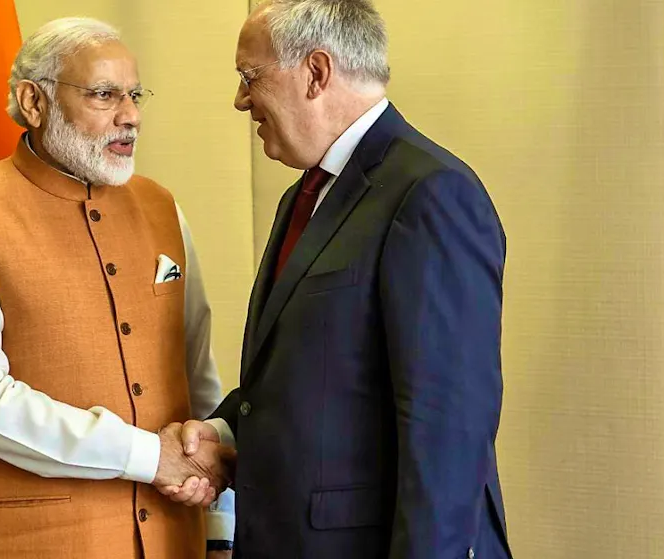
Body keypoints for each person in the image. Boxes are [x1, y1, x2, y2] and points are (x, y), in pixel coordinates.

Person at [168, 1, 513, 557]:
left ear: (317, 73)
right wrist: (227, 431)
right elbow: (318, 375)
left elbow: (446, 433)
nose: (240, 99)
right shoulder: (304, 195)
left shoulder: (430, 195)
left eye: (248, 77)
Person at [0, 17, 234, 559]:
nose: (129, 117)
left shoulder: (162, 208)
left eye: (133, 95)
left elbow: (196, 372)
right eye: (104, 95)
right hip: (31, 543)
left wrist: (215, 500)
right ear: (34, 103)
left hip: (173, 536)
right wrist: (148, 456)